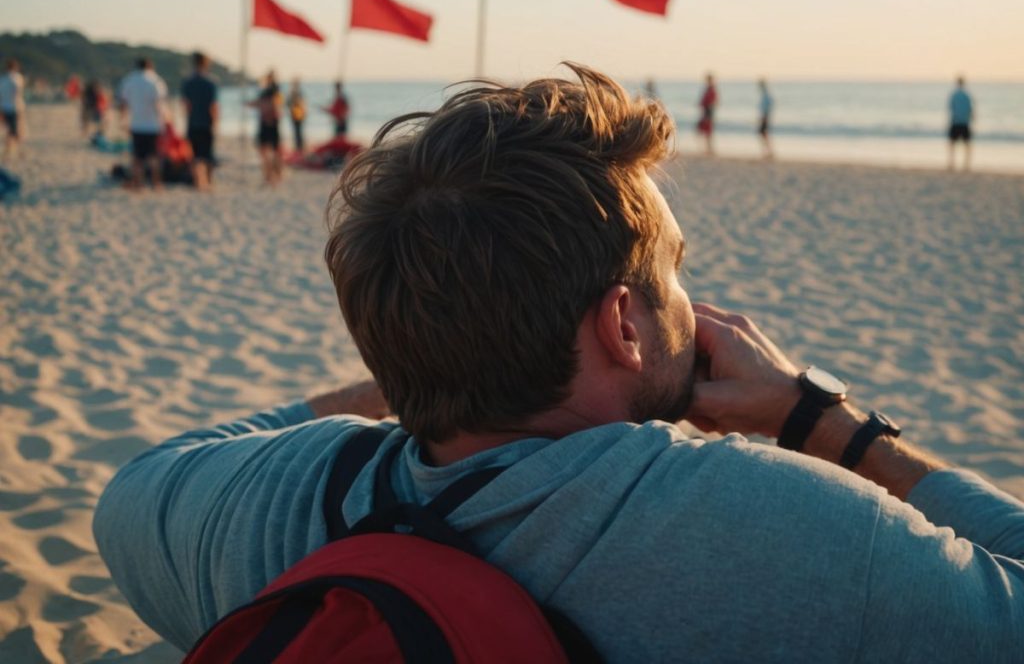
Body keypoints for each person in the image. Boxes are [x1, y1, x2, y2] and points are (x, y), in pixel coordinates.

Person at [94, 65, 1024, 661]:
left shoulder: (266, 510)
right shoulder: (769, 526)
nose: (694, 307)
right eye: (674, 276)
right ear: (623, 325)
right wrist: (826, 424)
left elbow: (137, 483)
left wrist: (428, 359)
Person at [118, 58, 168, 190]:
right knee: (154, 156)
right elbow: (159, 104)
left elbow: (124, 103)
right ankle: (156, 183)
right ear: (150, 66)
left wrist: (122, 120)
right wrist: (165, 120)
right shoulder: (155, 81)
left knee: (137, 157)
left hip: (136, 124)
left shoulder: (129, 80)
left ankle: (138, 183)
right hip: (153, 124)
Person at [181, 52, 219, 192]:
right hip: (206, 123)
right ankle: (206, 181)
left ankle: (198, 181)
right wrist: (215, 122)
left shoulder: (188, 82)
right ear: (206, 63)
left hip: (193, 122)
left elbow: (186, 105)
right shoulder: (210, 83)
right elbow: (213, 107)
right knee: (207, 154)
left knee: (195, 154)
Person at [0, 59, 26, 161]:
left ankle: (8, 149)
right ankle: (19, 150)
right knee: (16, 130)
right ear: (15, 67)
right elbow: (18, 92)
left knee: (9, 129)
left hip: (4, 107)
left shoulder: (2, 79)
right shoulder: (17, 78)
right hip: (15, 107)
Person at [947, 75, 974, 172]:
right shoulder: (967, 95)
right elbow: (970, 109)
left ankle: (951, 163)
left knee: (952, 143)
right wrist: (971, 119)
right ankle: (966, 164)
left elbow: (950, 108)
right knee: (967, 144)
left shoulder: (954, 95)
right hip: (964, 122)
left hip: (956, 121)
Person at [696, 72, 717, 156]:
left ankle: (709, 148)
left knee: (708, 131)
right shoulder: (708, 89)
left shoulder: (711, 89)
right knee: (705, 131)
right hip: (706, 111)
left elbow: (713, 101)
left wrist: (707, 108)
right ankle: (707, 148)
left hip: (708, 111)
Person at [287, 79, 306, 153]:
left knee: (298, 131)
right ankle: (298, 147)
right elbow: (289, 104)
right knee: (297, 131)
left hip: (298, 115)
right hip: (295, 114)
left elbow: (302, 103)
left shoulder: (296, 93)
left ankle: (299, 147)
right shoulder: (294, 93)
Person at [757, 77, 774, 160]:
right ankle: (767, 151)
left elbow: (768, 107)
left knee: (764, 135)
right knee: (763, 135)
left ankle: (768, 151)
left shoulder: (766, 95)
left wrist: (765, 117)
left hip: (765, 117)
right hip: (764, 117)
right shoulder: (764, 94)